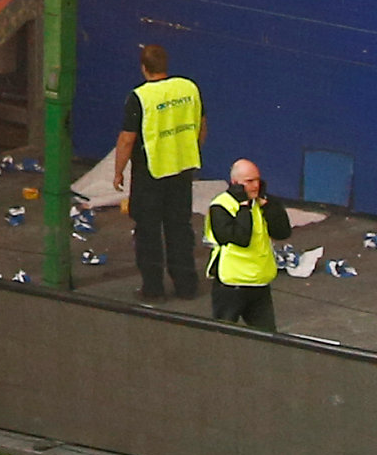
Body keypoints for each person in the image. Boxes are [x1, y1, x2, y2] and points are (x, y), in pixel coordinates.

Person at [111, 44, 204, 304]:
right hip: (182, 169)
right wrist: (191, 151)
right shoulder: (188, 88)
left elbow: (127, 140)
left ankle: (153, 289)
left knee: (148, 232)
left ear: (144, 68)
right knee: (180, 228)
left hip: (150, 174)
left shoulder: (139, 97)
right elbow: (201, 125)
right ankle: (186, 286)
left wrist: (118, 172)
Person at [204, 158, 288, 332]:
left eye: (258, 180)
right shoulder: (220, 207)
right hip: (231, 284)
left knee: (267, 336)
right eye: (249, 181)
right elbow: (241, 238)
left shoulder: (261, 203)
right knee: (223, 334)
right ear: (235, 183)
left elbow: (282, 232)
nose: (255, 186)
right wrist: (244, 207)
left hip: (259, 282)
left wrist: (268, 206)